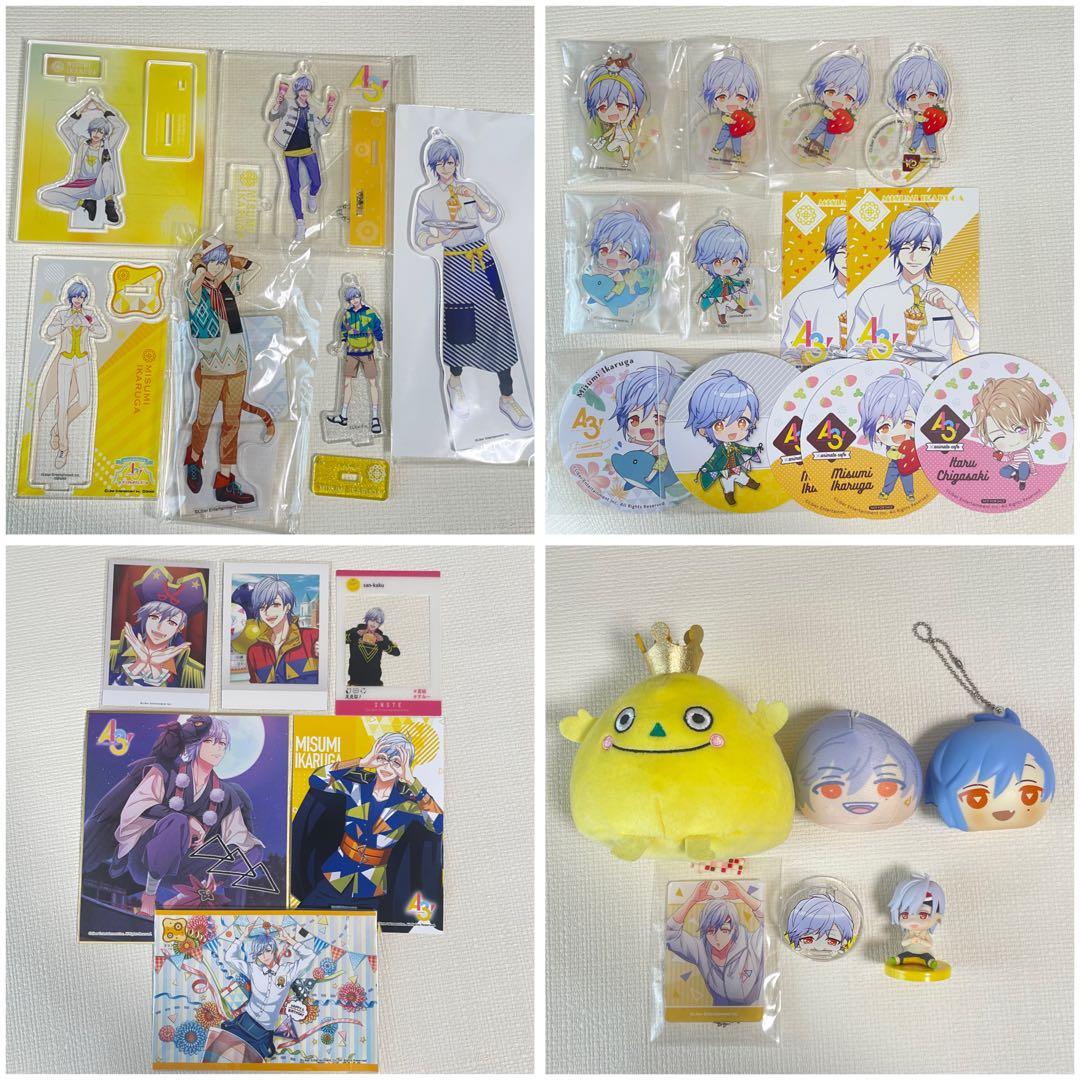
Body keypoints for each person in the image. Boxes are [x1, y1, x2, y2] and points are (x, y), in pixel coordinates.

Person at [82, 715, 263, 917]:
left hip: (187, 870)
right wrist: (187, 820)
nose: (217, 748)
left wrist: (222, 870)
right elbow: (137, 807)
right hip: (147, 860)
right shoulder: (165, 772)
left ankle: (185, 898)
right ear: (195, 744)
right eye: (210, 741)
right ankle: (149, 898)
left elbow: (239, 837)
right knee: (178, 821)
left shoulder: (227, 793)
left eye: (222, 743)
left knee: (252, 848)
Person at [411, 131, 531, 431]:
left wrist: (475, 197)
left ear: (457, 163)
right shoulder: (427, 197)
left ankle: (507, 396)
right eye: (441, 163)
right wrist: (440, 236)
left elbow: (493, 215)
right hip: (455, 265)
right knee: (459, 326)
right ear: (433, 166)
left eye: (451, 162)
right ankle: (455, 382)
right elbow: (420, 237)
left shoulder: (470, 188)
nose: (447, 168)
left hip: (483, 260)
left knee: (499, 324)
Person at [295, 732, 443, 911]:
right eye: (382, 758)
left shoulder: (409, 803)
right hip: (335, 876)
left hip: (370, 889)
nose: (387, 766)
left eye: (396, 762)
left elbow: (439, 825)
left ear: (404, 768)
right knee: (301, 919)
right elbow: (316, 780)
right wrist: (361, 762)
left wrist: (411, 781)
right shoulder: (356, 785)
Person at [183, 238, 271, 506]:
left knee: (232, 422)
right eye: (214, 262)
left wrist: (235, 262)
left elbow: (256, 269)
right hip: (212, 365)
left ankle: (225, 479)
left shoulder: (228, 288)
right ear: (203, 264)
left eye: (221, 262)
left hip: (238, 365)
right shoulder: (195, 290)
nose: (218, 267)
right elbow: (194, 285)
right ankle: (194, 458)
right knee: (204, 418)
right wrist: (200, 268)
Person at [852, 206, 978, 361]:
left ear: (935, 250)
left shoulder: (950, 295)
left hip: (940, 376)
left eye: (923, 248)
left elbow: (974, 347)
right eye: (906, 247)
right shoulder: (873, 298)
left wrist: (952, 308)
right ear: (895, 247)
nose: (914, 256)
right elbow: (855, 350)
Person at [221, 921, 320, 1059]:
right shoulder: (253, 969)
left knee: (250, 1062)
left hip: (264, 1032)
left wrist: (289, 939)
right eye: (260, 953)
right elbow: (229, 957)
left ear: (274, 950)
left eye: (267, 950)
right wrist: (243, 936)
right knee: (223, 1053)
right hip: (244, 1022)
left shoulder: (287, 971)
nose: (265, 956)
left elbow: (310, 956)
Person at [37, 280, 109, 468]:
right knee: (62, 405)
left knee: (84, 401)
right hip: (65, 361)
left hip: (83, 360)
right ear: (70, 297)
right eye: (76, 296)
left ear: (85, 298)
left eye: (82, 297)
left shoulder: (89, 314)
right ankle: (63, 448)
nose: (78, 299)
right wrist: (64, 324)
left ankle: (56, 429)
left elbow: (102, 332)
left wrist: (89, 324)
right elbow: (48, 332)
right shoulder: (61, 314)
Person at [665, 880, 765, 1006]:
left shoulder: (751, 944)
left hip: (754, 1014)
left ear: (734, 929)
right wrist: (692, 900)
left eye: (724, 930)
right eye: (710, 931)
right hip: (716, 1016)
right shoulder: (700, 949)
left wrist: (742, 895)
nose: (717, 937)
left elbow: (769, 922)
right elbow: (669, 934)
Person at [108, 566, 207, 689]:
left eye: (171, 622)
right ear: (145, 617)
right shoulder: (112, 654)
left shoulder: (192, 674)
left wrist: (155, 667)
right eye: (154, 617)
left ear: (180, 627)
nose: (160, 627)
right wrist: (140, 663)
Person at [266, 73, 337, 243]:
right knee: (294, 186)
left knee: (317, 181)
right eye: (301, 89)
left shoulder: (311, 110)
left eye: (307, 89)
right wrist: (277, 103)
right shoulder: (288, 104)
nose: (304, 92)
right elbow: (272, 116)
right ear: (297, 90)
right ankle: (300, 222)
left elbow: (321, 128)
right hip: (290, 150)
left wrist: (330, 112)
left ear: (310, 91)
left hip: (308, 149)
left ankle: (312, 195)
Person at [39, 96, 127, 226]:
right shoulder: (81, 143)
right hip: (80, 185)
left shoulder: (108, 145)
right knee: (46, 195)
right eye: (94, 130)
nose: (96, 134)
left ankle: (110, 204)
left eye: (101, 132)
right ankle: (86, 204)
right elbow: (64, 128)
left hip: (100, 186)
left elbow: (120, 127)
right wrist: (81, 110)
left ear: (104, 135)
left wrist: (102, 108)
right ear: (90, 131)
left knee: (108, 165)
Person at [686, 370, 763, 505]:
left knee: (742, 477)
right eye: (719, 425)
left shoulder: (734, 445)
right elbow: (713, 459)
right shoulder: (721, 449)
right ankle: (729, 497)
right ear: (703, 430)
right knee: (728, 485)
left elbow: (743, 448)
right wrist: (706, 468)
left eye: (742, 422)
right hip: (725, 472)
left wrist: (753, 450)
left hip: (736, 468)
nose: (732, 431)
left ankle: (753, 485)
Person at [782, 215, 848, 357]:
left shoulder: (873, 298)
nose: (849, 258)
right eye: (843, 250)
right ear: (832, 252)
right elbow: (789, 353)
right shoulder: (807, 301)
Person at [857, 369, 925, 503]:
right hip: (895, 463)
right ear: (875, 434)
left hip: (908, 464)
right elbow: (890, 453)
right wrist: (898, 456)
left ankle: (910, 494)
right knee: (890, 477)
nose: (898, 434)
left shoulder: (913, 442)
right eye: (885, 427)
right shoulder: (892, 446)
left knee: (907, 478)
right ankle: (885, 492)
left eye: (908, 423)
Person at [327, 286, 385, 435]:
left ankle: (375, 417)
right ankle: (343, 415)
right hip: (351, 353)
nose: (354, 300)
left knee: (373, 383)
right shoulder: (347, 314)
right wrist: (340, 347)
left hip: (367, 352)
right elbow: (343, 332)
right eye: (351, 298)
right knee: (346, 383)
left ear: (360, 296)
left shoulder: (369, 313)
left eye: (356, 297)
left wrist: (381, 349)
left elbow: (378, 331)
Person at [246, 575, 319, 684]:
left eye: (275, 605)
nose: (268, 612)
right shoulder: (254, 652)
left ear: (287, 607)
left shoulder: (313, 637)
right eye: (262, 607)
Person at [583, 54, 647, 168]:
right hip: (616, 141)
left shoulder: (624, 124)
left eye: (620, 105)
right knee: (609, 147)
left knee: (625, 149)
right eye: (602, 108)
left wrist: (632, 112)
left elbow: (626, 122)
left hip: (625, 140)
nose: (611, 112)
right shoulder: (610, 127)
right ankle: (621, 154)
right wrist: (603, 138)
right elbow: (609, 132)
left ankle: (626, 161)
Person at [801, 53, 870, 158]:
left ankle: (826, 148)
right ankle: (810, 137)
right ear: (821, 92)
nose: (839, 100)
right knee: (818, 128)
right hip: (825, 120)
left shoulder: (847, 113)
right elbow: (825, 111)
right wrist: (828, 114)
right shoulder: (823, 107)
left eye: (848, 97)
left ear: (855, 103)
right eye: (831, 92)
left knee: (830, 135)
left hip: (836, 125)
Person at [701, 53, 759, 163]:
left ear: (749, 100)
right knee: (722, 136)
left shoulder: (745, 113)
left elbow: (748, 122)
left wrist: (747, 127)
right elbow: (724, 117)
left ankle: (737, 154)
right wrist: (728, 119)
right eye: (722, 97)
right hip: (727, 126)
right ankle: (718, 147)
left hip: (738, 127)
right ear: (713, 101)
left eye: (740, 97)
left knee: (736, 140)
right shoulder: (724, 113)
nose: (732, 103)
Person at [693, 221, 752, 327]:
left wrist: (744, 283)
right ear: (706, 265)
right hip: (719, 298)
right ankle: (722, 319)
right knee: (721, 308)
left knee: (732, 303)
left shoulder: (728, 279)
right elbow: (711, 288)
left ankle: (741, 311)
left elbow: (735, 282)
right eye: (718, 262)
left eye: (735, 261)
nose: (727, 267)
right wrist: (704, 295)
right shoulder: (718, 281)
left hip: (728, 296)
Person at [346, 607, 400, 686]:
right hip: (355, 683)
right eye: (372, 620)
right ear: (367, 619)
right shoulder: (355, 632)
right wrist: (355, 633)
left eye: (377, 622)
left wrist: (383, 641)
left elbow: (397, 652)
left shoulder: (382, 638)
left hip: (375, 683)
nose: (374, 623)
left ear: (380, 624)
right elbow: (339, 639)